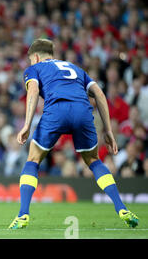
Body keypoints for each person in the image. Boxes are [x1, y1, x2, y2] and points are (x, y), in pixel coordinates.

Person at [8, 38, 138, 229]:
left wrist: (27, 124)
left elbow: (33, 89)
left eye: (30, 60)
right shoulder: (76, 68)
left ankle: (22, 215)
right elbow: (99, 94)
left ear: (35, 57)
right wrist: (108, 130)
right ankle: (121, 208)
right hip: (83, 113)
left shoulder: (34, 69)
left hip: (56, 110)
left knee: (33, 159)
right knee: (94, 161)